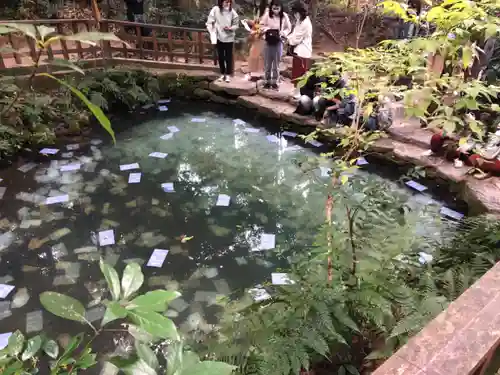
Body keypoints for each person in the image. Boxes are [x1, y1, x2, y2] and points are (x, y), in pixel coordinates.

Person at [260, 0, 291, 90]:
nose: (275, 10)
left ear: (281, 8)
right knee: (267, 63)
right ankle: (267, 81)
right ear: (271, 8)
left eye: (277, 8)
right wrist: (267, 29)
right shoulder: (267, 15)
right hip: (268, 42)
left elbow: (288, 28)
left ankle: (274, 82)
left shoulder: (284, 16)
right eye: (274, 8)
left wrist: (283, 33)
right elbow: (261, 25)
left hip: (278, 42)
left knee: (276, 64)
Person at [207, 0, 239, 83]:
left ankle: (228, 75)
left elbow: (236, 25)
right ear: (221, 2)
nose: (227, 4)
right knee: (221, 57)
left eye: (229, 2)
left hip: (229, 38)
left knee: (228, 57)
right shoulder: (215, 9)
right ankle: (222, 74)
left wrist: (230, 28)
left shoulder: (232, 12)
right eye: (226, 2)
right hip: (219, 36)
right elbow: (210, 21)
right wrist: (213, 28)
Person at [287, 1, 313, 98]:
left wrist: (287, 39)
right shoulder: (300, 21)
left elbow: (296, 39)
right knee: (296, 72)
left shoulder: (305, 23)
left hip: (303, 51)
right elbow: (294, 33)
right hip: (298, 50)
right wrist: (288, 36)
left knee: (300, 73)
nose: (294, 15)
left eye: (295, 13)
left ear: (301, 12)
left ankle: (299, 93)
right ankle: (296, 91)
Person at [244, 0, 269, 81]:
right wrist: (249, 22)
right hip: (256, 35)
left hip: (263, 35)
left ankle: (257, 75)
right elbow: (257, 22)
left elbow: (264, 25)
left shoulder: (267, 11)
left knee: (257, 54)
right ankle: (253, 73)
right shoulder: (257, 10)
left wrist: (256, 30)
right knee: (253, 54)